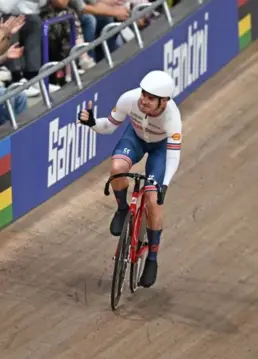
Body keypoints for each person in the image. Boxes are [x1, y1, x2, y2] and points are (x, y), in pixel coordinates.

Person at [77, 70, 182, 288]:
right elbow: (108, 126)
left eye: (151, 98)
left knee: (153, 200)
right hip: (134, 138)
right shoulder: (129, 99)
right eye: (144, 94)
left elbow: (173, 155)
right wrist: (93, 123)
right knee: (117, 168)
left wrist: (163, 185)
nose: (143, 100)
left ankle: (152, 259)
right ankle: (123, 208)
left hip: (160, 150)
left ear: (164, 101)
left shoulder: (172, 118)